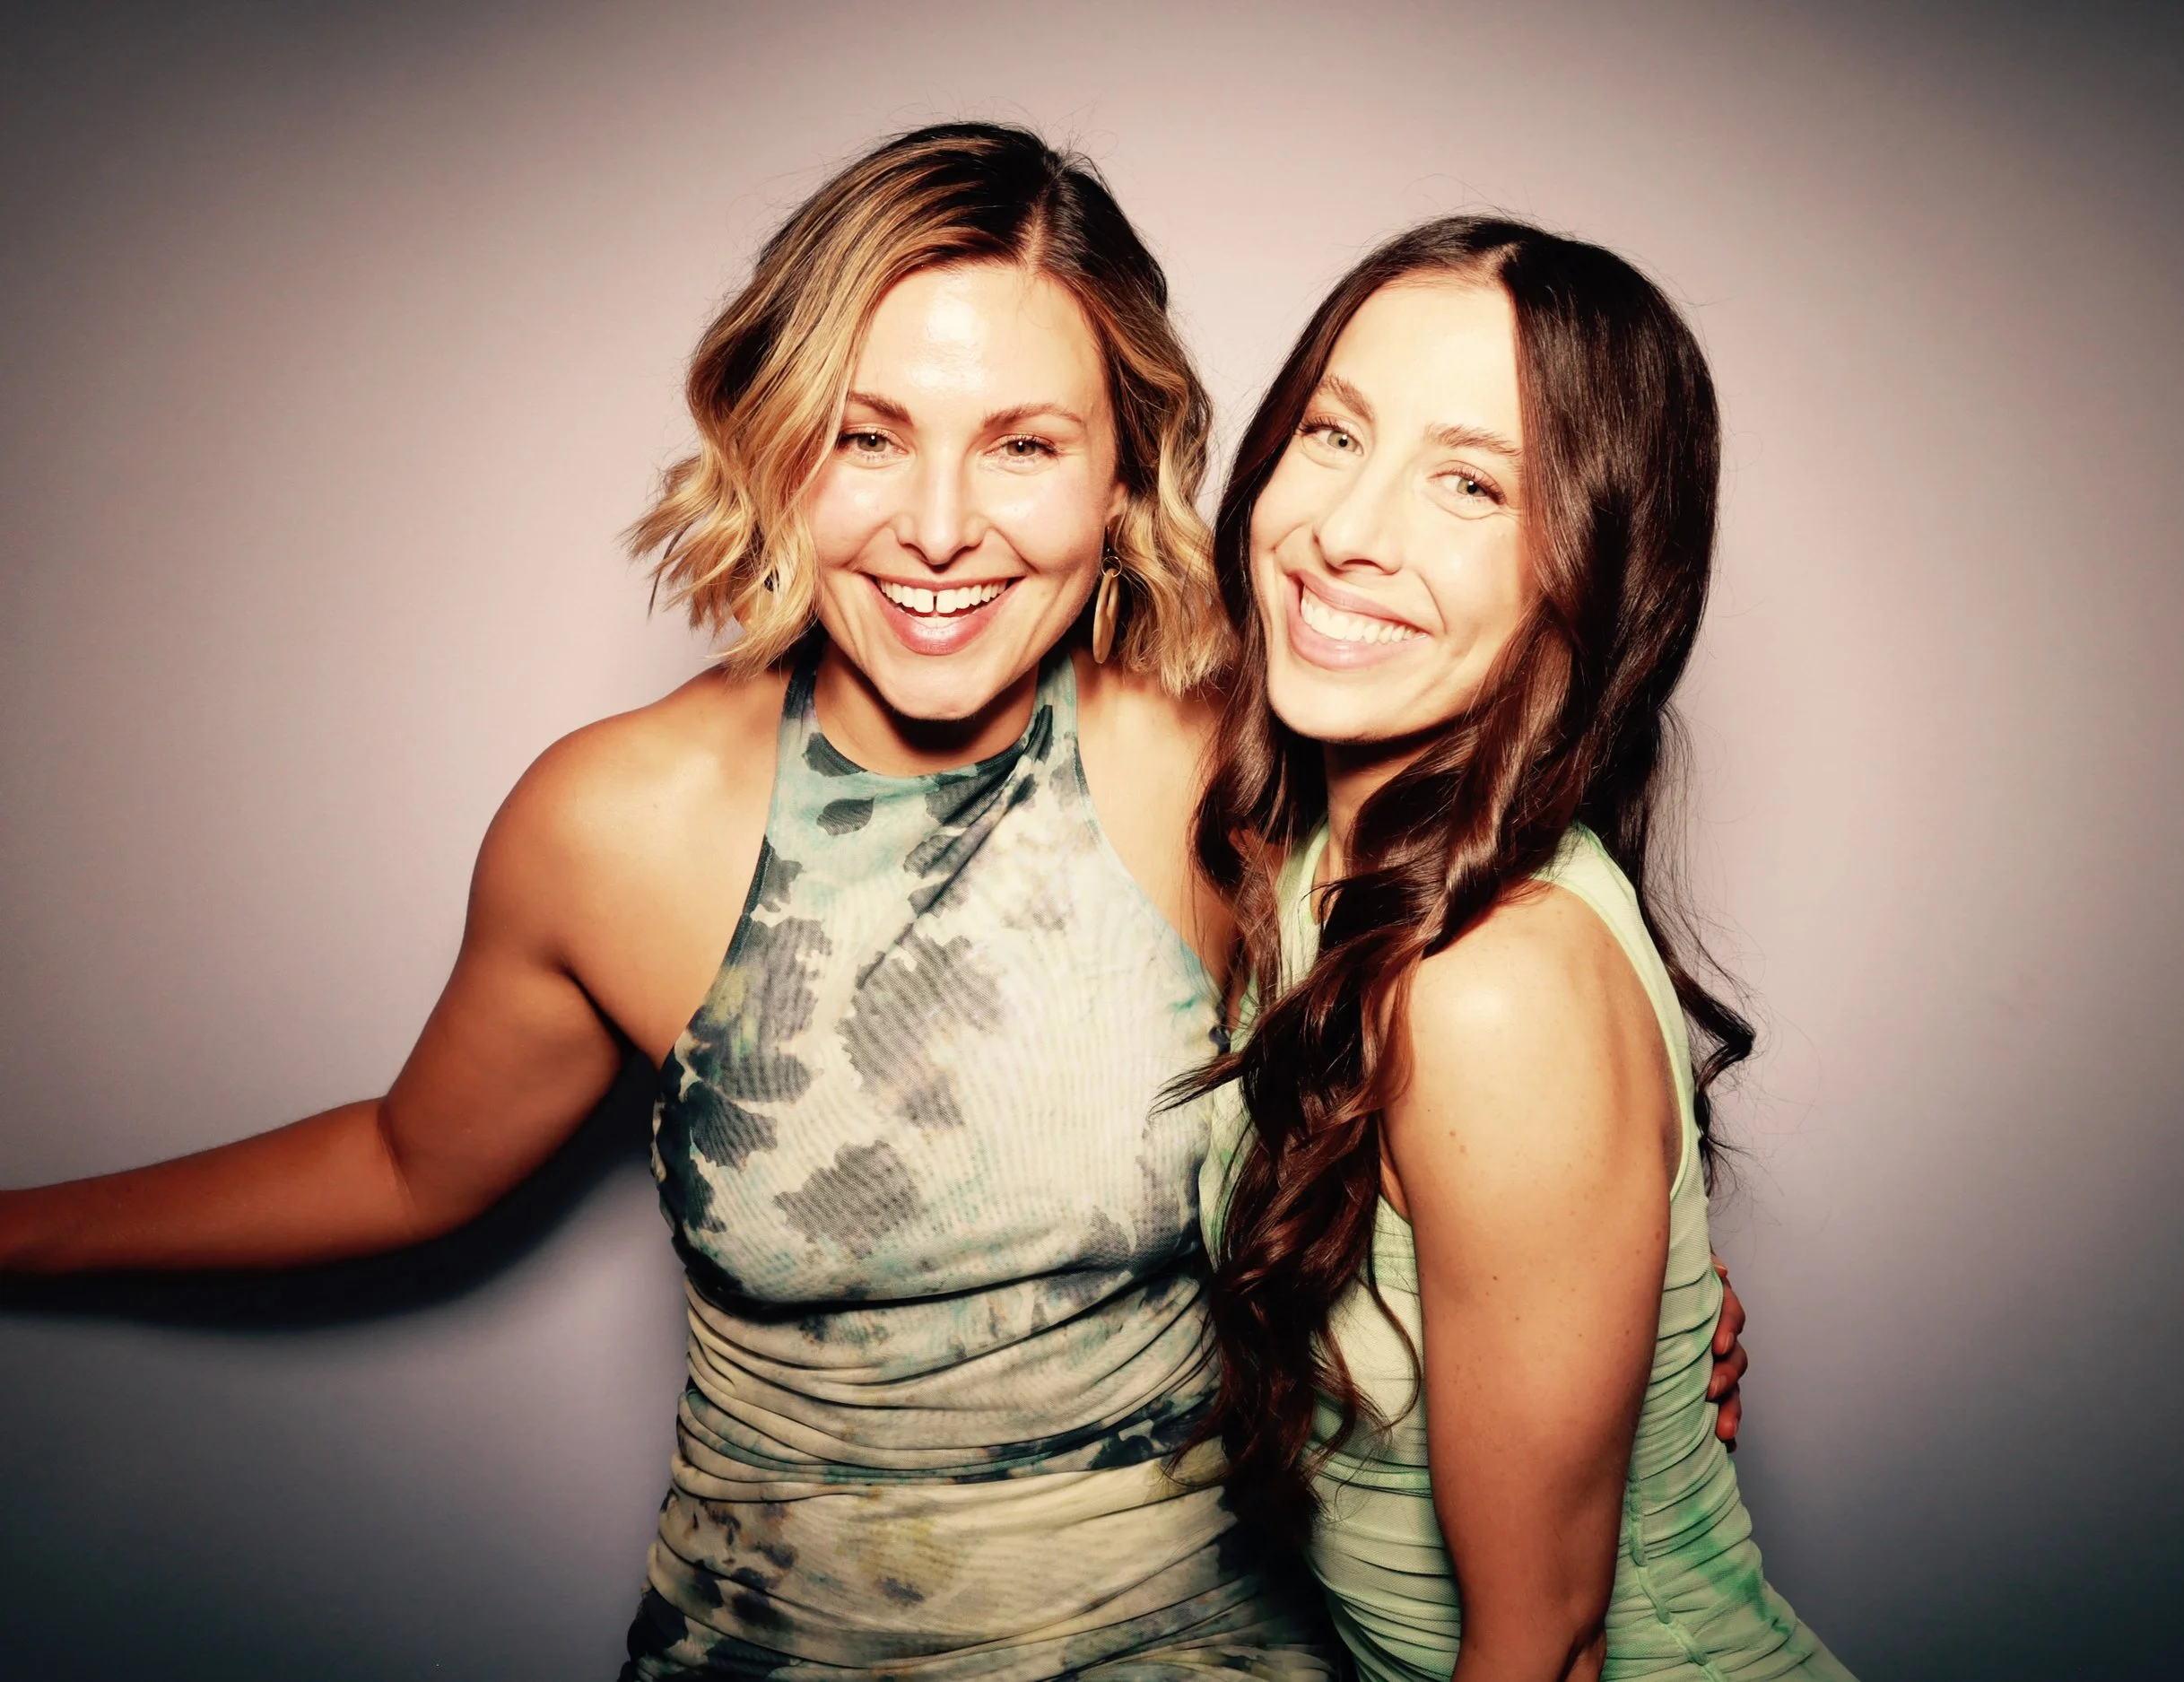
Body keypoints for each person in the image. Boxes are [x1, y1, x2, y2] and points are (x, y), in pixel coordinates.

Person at [0, 127, 1745, 1678]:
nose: (934, 526)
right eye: (866, 433)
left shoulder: (1231, 728)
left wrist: (1642, 1318)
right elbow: (403, 1159)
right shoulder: (612, 821)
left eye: (1021, 445)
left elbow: (1512, 936)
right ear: (770, 440)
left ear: (1124, 465)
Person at [1188, 217, 1851, 1681]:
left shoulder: (1493, 986)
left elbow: (1546, 1638)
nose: (1351, 530)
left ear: (1593, 568)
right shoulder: (1313, 851)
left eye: (1471, 484)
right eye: (1332, 433)